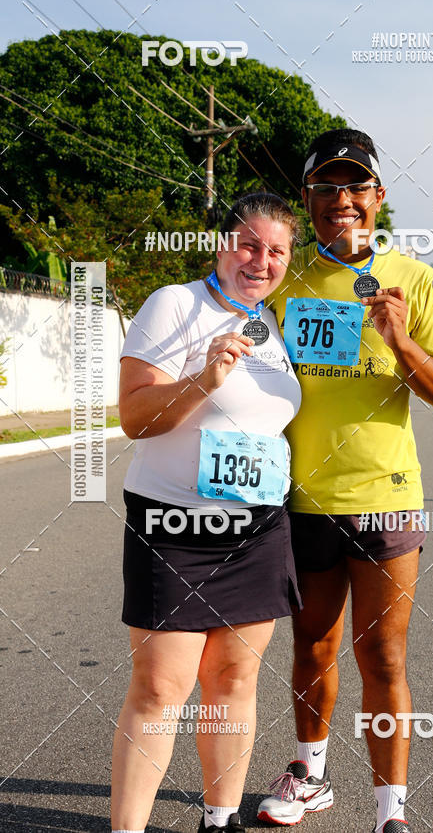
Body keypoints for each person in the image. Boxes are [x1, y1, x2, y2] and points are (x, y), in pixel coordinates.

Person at [257, 129, 433, 833]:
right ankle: (310, 775)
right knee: (311, 643)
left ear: (378, 198)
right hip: (303, 500)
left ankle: (390, 816)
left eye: (355, 188)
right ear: (307, 199)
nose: (341, 201)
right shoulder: (284, 280)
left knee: (382, 653)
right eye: (325, 188)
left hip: (386, 496)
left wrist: (400, 340)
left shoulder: (415, 280)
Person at [111, 193, 302, 833]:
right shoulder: (175, 303)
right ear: (222, 245)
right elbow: (135, 418)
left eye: (276, 251)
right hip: (175, 524)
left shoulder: (273, 325)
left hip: (258, 530)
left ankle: (217, 821)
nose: (261, 260)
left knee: (233, 683)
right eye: (249, 244)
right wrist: (202, 380)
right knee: (163, 690)